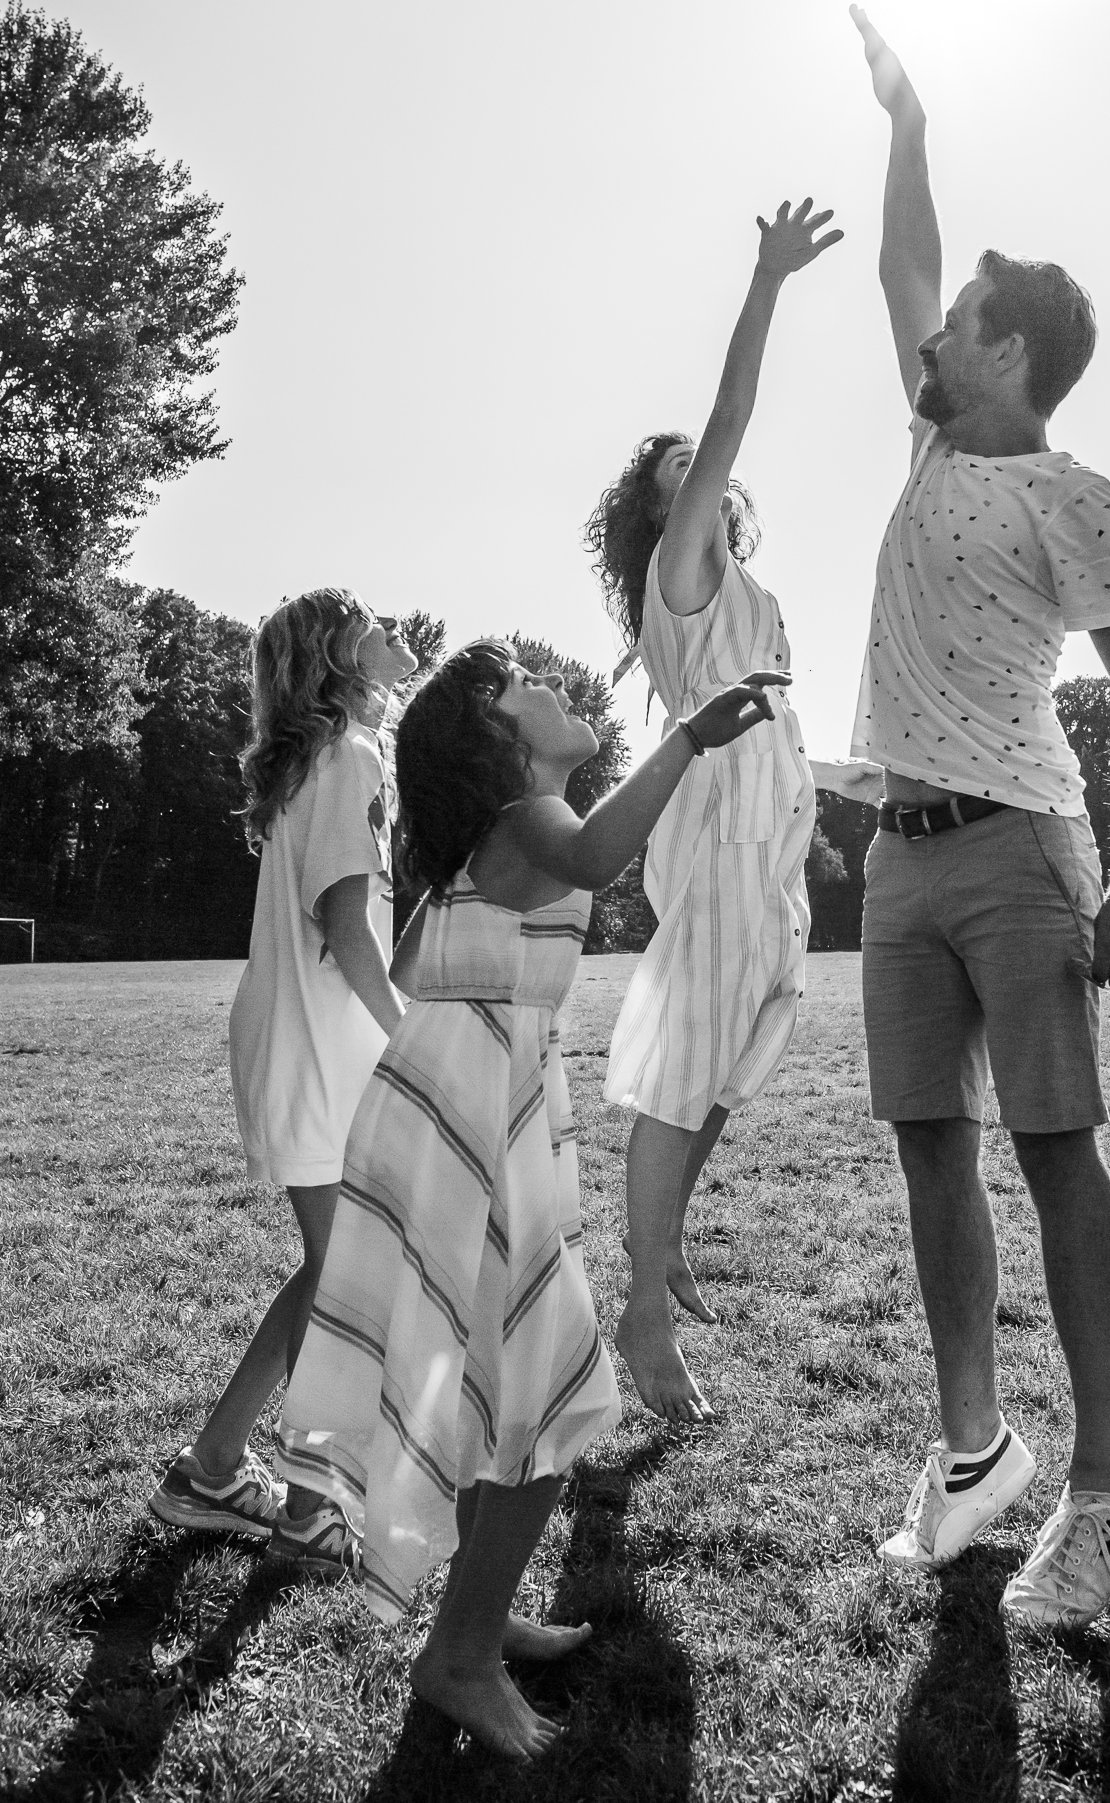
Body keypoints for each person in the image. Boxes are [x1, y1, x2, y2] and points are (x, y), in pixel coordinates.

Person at [276, 639, 788, 1762]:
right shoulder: (526, 821)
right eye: (525, 684)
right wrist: (689, 737)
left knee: (492, 1378)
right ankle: (457, 1659)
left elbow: (410, 969)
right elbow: (600, 851)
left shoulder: (490, 845)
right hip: (471, 1116)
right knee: (549, 1384)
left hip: (458, 1103)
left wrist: (483, 1031)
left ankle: (479, 1612)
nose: (555, 686)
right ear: (495, 738)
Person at [841, 6, 1110, 1629]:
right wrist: (907, 120)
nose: (931, 330)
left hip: (1022, 848)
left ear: (1011, 354)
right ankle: (976, 1457)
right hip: (894, 860)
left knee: (1054, 1154)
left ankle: (1100, 1493)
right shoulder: (927, 440)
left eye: (960, 321)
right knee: (931, 1151)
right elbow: (901, 258)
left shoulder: (1070, 496)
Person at [585, 199, 843, 1425]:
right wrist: (767, 277)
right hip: (723, 843)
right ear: (662, 507)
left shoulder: (745, 586)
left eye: (703, 467)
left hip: (770, 849)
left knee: (736, 1062)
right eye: (677, 470)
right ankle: (642, 1310)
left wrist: (856, 777)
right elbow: (732, 412)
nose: (704, 471)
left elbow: (778, 721)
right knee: (685, 1076)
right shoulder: (680, 569)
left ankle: (666, 1239)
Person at [150, 588, 416, 1567]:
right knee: (345, 1279)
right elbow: (345, 928)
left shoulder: (335, 756)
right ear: (338, 658)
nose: (395, 630)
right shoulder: (346, 758)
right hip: (315, 1049)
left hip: (306, 1042)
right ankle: (308, 1508)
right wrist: (413, 1039)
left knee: (329, 1269)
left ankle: (212, 1468)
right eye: (372, 621)